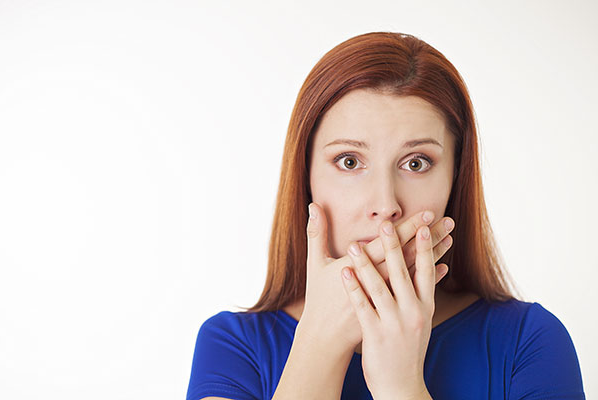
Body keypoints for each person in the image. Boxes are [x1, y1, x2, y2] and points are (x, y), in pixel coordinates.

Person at [185, 32, 586, 400]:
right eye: (348, 160)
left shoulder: (529, 341)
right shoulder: (231, 346)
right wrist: (319, 345)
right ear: (306, 178)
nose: (385, 204)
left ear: (455, 180)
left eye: (416, 163)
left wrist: (401, 386)